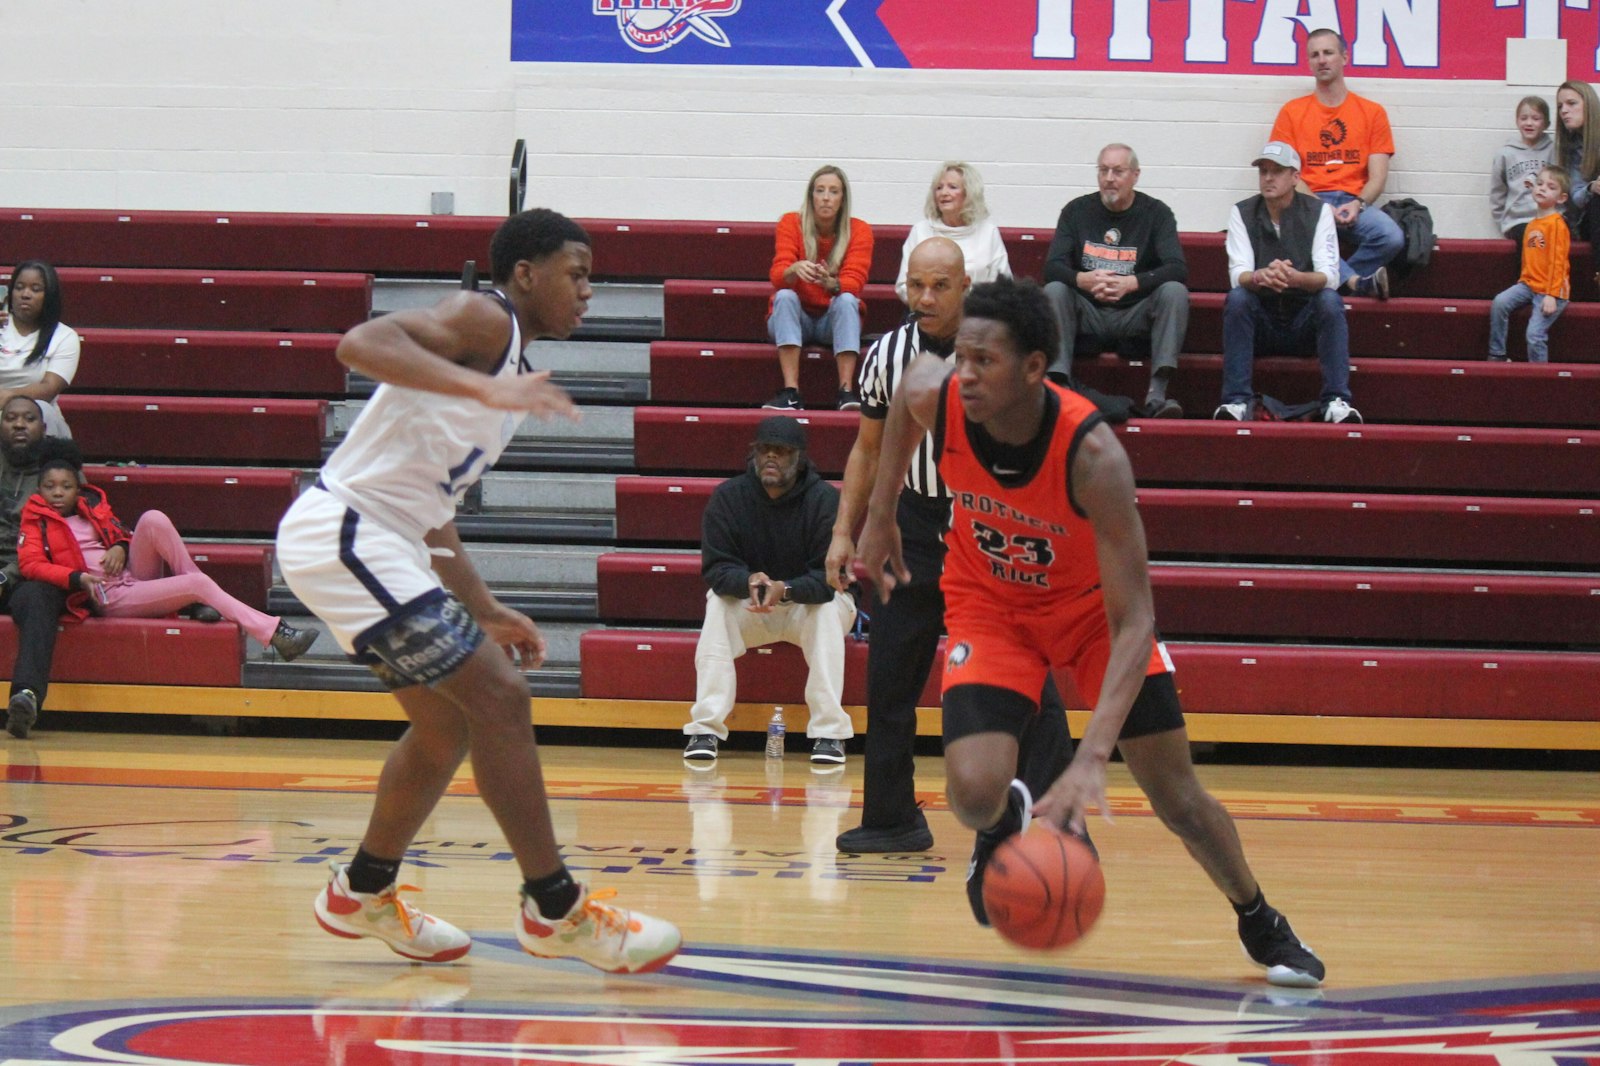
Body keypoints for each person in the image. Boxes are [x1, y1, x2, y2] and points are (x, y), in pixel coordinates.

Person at [855, 275, 1326, 989]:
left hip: (1091, 618)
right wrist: (882, 512)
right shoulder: (938, 391)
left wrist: (1090, 759)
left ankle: (1257, 915)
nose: (967, 374)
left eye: (986, 361)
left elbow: (1137, 619)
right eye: (964, 356)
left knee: (1178, 797)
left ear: (1036, 368)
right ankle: (1002, 822)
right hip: (991, 606)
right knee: (972, 792)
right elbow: (900, 407)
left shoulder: (1094, 457)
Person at [275, 208, 680, 973]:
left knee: (448, 729)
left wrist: (485, 606)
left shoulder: (509, 356)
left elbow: (434, 517)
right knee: (500, 697)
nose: (588, 292)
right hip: (347, 530)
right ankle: (554, 908)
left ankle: (360, 891)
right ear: (525, 274)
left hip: (381, 539)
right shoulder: (483, 318)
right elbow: (359, 343)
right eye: (577, 273)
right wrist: (482, 389)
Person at [828, 238, 1076, 854]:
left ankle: (1050, 812)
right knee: (889, 675)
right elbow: (866, 448)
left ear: (967, 284)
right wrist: (844, 529)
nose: (925, 298)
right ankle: (891, 817)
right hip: (910, 525)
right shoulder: (886, 353)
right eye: (916, 286)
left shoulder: (997, 352)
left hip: (985, 524)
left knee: (1025, 676)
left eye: (939, 286)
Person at [17, 452, 319, 658]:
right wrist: (77, 577)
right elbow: (31, 565)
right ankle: (275, 633)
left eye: (66, 487)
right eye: (50, 487)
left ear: (77, 490)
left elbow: (122, 532)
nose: (58, 493)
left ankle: (198, 594)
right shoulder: (35, 521)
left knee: (153, 519)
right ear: (39, 490)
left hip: (129, 578)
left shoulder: (91, 507)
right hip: (106, 596)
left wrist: (119, 547)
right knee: (198, 584)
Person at [682, 415, 855, 767]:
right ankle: (705, 729)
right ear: (754, 455)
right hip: (755, 604)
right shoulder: (728, 498)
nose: (771, 458)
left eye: (781, 451)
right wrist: (748, 583)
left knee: (825, 611)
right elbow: (716, 569)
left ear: (800, 459)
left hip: (809, 603)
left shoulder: (824, 500)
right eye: (764, 451)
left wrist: (785, 589)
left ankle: (829, 733)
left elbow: (828, 580)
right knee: (717, 604)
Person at [1216, 142, 1360, 425]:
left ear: (1296, 177)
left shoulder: (1318, 212)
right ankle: (1236, 401)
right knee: (1238, 298)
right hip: (1263, 324)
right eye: (1264, 171)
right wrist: (1260, 276)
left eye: (1277, 171)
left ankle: (1337, 400)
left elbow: (1329, 275)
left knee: (1330, 299)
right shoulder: (1241, 212)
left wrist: (1295, 279)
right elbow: (1239, 274)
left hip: (1304, 322)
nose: (1268, 178)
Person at [1041, 144, 1189, 419]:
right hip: (1089, 312)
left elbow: (1177, 268)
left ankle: (1157, 395)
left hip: (1134, 313)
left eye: (1118, 171)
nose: (1109, 178)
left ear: (1135, 175)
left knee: (1174, 292)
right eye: (1103, 170)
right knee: (1055, 290)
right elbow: (1052, 267)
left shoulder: (1156, 213)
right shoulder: (1076, 211)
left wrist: (1132, 283)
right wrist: (1082, 279)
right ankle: (1057, 386)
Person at [1269, 27, 1402, 299]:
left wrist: (1358, 203)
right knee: (1293, 234)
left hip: (1354, 202)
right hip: (1308, 201)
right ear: (1309, 62)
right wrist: (1320, 207)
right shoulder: (1291, 112)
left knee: (1391, 236)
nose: (1322, 60)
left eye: (1328, 53)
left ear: (1344, 57)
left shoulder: (1372, 112)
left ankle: (1335, 281)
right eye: (1315, 55)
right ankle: (1355, 283)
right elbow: (1283, 173)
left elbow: (1377, 177)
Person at [763, 165, 874, 412]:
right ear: (810, 195)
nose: (826, 197)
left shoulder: (860, 230)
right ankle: (791, 392)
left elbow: (855, 283)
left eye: (833, 191)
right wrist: (793, 270)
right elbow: (777, 275)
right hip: (795, 318)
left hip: (830, 321)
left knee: (847, 301)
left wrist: (832, 284)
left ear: (843, 199)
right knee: (784, 296)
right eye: (820, 190)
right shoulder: (791, 222)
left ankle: (845, 391)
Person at [1, 397, 76, 739]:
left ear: (43, 428)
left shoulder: (57, 477)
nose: (19, 425)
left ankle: (26, 695)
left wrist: (7, 575)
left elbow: (61, 541)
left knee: (41, 596)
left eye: (28, 419)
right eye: (11, 418)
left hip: (29, 574)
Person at [893, 161, 1012, 304]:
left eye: (952, 187)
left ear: (969, 193)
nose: (944, 193)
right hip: (928, 312)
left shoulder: (988, 232)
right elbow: (903, 285)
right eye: (939, 188)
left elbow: (1004, 286)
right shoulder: (920, 231)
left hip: (976, 315)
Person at [1489, 167, 1571, 364]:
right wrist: (1524, 281)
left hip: (1552, 290)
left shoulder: (1557, 225)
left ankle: (1539, 377)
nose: (1542, 189)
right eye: (1540, 183)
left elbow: (1558, 261)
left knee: (1534, 335)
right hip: (1529, 284)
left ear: (1561, 198)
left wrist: (1551, 294)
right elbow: (1530, 259)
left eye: (1551, 187)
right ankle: (1497, 354)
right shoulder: (1532, 224)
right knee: (1500, 302)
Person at [0, 261, 80, 438]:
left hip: (38, 413)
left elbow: (49, 388)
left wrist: (8, 396)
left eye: (35, 289)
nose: (25, 294)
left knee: (40, 411)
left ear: (49, 296)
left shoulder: (64, 336)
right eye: (19, 287)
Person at [1490, 97, 1556, 245]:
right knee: (1531, 240)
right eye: (1523, 118)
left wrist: (1562, 214)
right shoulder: (1505, 154)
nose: (1529, 123)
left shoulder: (1554, 150)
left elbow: (1563, 185)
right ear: (1517, 121)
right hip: (1519, 221)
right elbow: (1497, 192)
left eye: (1536, 118)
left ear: (1546, 124)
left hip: (1550, 217)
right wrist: (1504, 222)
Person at [1555, 80, 1600, 287]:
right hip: (1587, 219)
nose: (1564, 111)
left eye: (1571, 103)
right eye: (1560, 106)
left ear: (1588, 105)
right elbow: (1577, 197)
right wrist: (1592, 187)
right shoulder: (1572, 148)